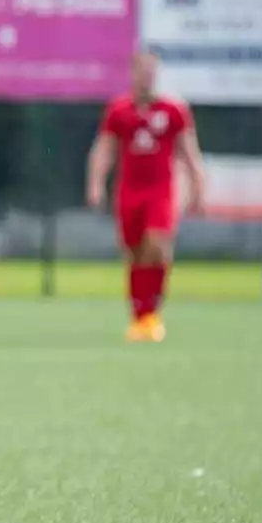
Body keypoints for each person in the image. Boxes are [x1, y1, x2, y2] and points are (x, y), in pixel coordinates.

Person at [86, 50, 205, 342]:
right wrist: (95, 184)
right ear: (133, 72)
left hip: (161, 191)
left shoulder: (174, 110)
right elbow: (104, 149)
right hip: (129, 192)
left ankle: (153, 313)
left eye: (152, 70)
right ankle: (139, 316)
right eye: (142, 70)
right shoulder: (119, 110)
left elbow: (189, 152)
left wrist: (197, 185)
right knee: (134, 253)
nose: (147, 76)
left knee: (156, 244)